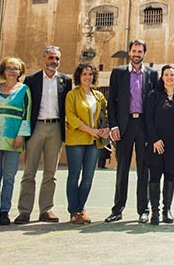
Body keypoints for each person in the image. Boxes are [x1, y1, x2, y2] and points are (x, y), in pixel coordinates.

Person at [14, 46, 73, 225]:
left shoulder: (65, 81)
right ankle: (24, 211)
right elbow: (26, 106)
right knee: (29, 171)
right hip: (36, 127)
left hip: (55, 128)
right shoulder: (31, 80)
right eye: (51, 58)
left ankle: (46, 210)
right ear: (43, 59)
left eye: (57, 58)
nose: (54, 61)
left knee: (50, 173)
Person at [105, 39, 159, 223]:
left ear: (144, 53)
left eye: (140, 51)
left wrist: (153, 131)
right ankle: (117, 209)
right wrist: (113, 126)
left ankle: (143, 210)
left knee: (144, 170)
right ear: (129, 52)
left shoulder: (152, 74)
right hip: (124, 127)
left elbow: (155, 103)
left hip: (143, 127)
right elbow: (111, 101)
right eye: (134, 51)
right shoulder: (118, 73)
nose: (136, 54)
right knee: (122, 170)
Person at [0, 57, 31, 226]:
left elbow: (27, 114)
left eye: (16, 68)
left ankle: (4, 211)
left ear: (20, 71)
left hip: (14, 139)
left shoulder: (24, 90)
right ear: (3, 70)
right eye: (9, 68)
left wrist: (21, 135)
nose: (12, 71)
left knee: (9, 177)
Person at [144, 64, 174, 225]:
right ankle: (155, 212)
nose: (169, 77)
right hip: (157, 144)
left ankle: (167, 210)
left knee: (170, 177)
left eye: (172, 75)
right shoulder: (153, 96)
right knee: (155, 177)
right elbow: (148, 120)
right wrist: (154, 140)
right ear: (162, 77)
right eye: (166, 75)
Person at [64, 62, 110, 224]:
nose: (87, 77)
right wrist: (91, 130)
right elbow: (71, 117)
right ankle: (73, 211)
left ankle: (81, 209)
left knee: (88, 177)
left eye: (90, 74)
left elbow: (106, 114)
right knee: (74, 175)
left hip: (94, 142)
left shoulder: (99, 96)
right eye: (84, 74)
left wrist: (106, 129)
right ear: (79, 76)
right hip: (76, 140)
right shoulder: (72, 95)